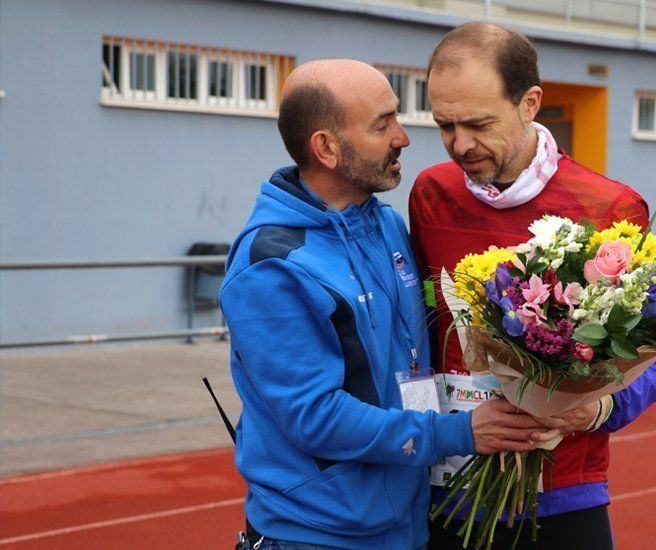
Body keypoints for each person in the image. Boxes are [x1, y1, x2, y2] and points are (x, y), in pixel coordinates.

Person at [221, 59, 556, 550]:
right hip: (318, 535)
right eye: (383, 125)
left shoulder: (387, 225)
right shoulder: (272, 265)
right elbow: (316, 417)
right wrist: (459, 433)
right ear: (328, 148)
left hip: (406, 526)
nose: (404, 137)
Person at [409, 23, 656, 549]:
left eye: (479, 123)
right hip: (449, 489)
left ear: (530, 103)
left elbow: (653, 352)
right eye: (444, 125)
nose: (460, 144)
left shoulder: (608, 208)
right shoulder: (430, 194)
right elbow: (423, 324)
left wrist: (598, 408)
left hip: (564, 491)